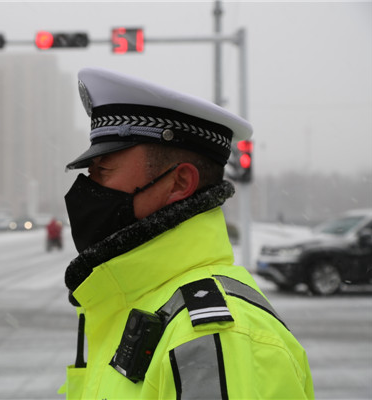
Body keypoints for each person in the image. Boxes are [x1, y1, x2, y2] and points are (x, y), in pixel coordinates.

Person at [58, 67, 314, 399]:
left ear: (179, 183)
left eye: (103, 171)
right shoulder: (140, 303)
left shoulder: (213, 338)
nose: (88, 189)